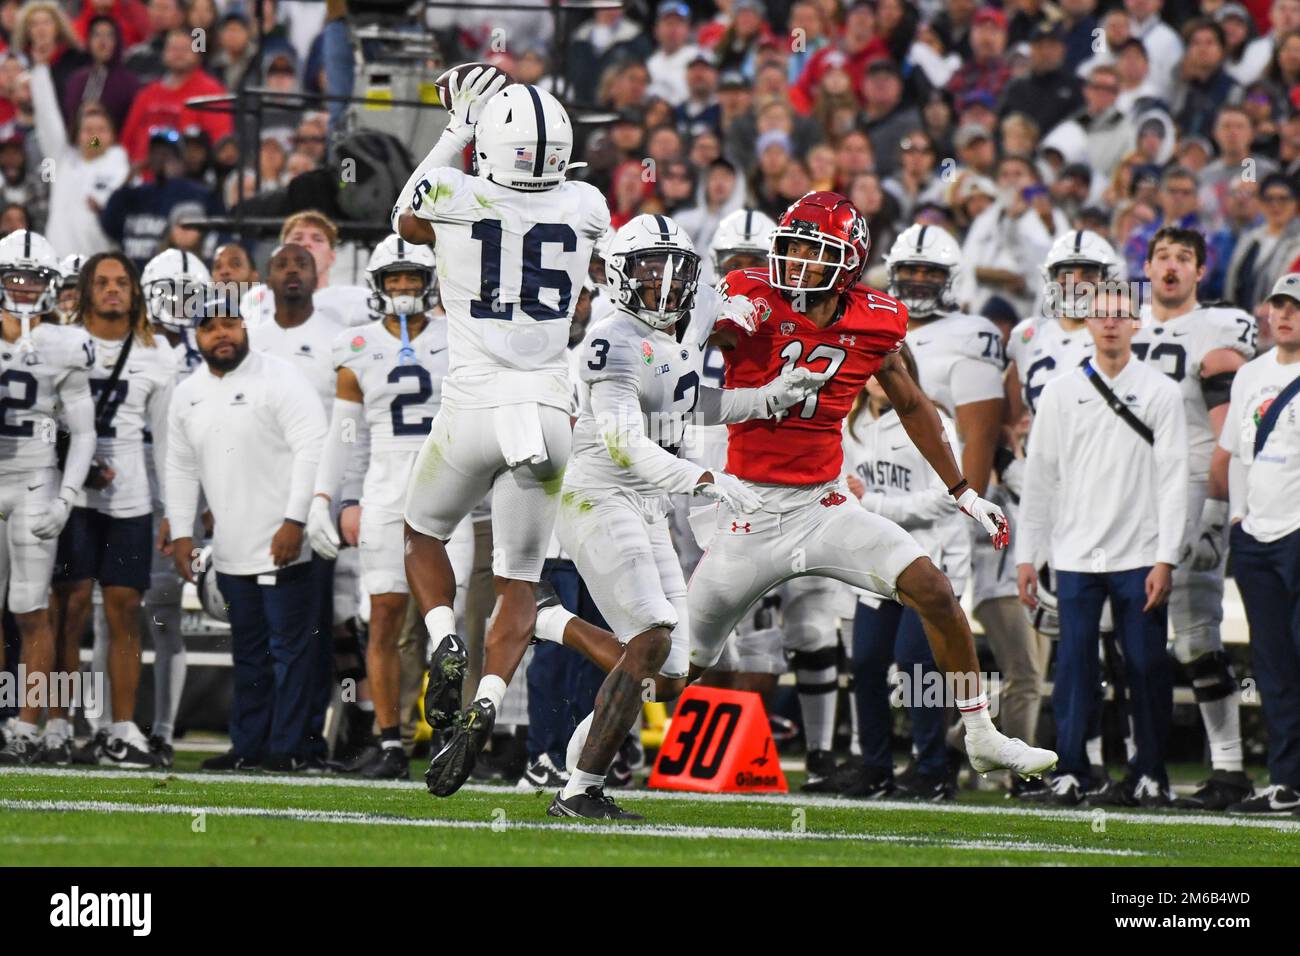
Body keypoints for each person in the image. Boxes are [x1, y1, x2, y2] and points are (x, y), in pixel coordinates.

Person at [685, 190, 1057, 785]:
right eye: (792, 248)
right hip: (749, 510)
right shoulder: (749, 296)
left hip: (824, 504)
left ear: (849, 263)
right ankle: (588, 746)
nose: (796, 262)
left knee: (935, 591)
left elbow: (912, 403)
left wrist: (963, 491)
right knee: (676, 666)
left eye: (813, 251)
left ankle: (983, 736)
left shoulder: (877, 318)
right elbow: (683, 376)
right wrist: (706, 328)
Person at [544, 214, 824, 819]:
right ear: (621, 275)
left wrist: (773, 395)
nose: (665, 282)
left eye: (676, 269)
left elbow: (695, 404)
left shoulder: (673, 335)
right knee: (648, 638)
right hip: (597, 493)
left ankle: (550, 621)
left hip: (646, 501)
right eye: (651, 268)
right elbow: (625, 442)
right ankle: (580, 790)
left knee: (672, 671)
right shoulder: (611, 338)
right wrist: (706, 478)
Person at [392, 69, 610, 798]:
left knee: (424, 535)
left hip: (474, 404)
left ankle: (445, 637)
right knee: (522, 584)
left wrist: (456, 125)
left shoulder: (455, 191)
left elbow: (404, 218)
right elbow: (612, 276)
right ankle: (485, 702)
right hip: (548, 410)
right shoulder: (586, 201)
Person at [306, 235, 475, 780]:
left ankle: (450, 737)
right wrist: (324, 499)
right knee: (382, 620)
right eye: (394, 279)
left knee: (447, 623)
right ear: (378, 286)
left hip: (450, 487)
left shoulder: (461, 337)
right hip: (385, 490)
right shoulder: (356, 346)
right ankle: (390, 744)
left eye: (412, 278)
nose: (403, 288)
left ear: (431, 282)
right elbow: (343, 436)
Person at [1017, 280, 1188, 807]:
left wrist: (1166, 556)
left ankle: (1150, 774)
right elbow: (1039, 477)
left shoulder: (1162, 391)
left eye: (1120, 314)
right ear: (1088, 322)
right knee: (1074, 667)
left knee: (1145, 666)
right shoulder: (1061, 393)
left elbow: (1175, 478)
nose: (1110, 323)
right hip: (1073, 553)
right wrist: (1028, 554)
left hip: (1139, 554)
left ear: (1136, 322)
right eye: (1101, 314)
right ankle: (1071, 771)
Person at [165, 293, 327, 772]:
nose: (222, 334)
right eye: (210, 326)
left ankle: (292, 749)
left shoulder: (281, 377)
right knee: (250, 653)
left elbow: (313, 447)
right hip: (232, 549)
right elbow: (179, 466)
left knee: (292, 653)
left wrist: (295, 520)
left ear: (245, 326)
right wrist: (180, 533)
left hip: (285, 544)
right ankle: (248, 747)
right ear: (195, 335)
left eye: (230, 323)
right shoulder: (187, 392)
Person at [1135, 226, 1258, 809]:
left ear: (1200, 272)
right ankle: (1140, 766)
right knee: (1127, 632)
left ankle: (1230, 768)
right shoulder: (1122, 321)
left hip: (1187, 485)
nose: (1172, 267)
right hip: (1125, 490)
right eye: (1163, 256)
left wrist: (1215, 505)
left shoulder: (1221, 327)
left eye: (1184, 258)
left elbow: (1229, 427)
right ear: (1148, 264)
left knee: (1196, 634)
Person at [48, 249, 175, 768]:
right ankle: (57, 724)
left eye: (121, 281)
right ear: (84, 288)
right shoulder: (58, 342)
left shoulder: (157, 351)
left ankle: (121, 729)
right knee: (67, 610)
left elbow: (165, 439)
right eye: (101, 282)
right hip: (71, 495)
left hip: (129, 498)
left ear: (135, 289)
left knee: (125, 612)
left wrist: (174, 510)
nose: (112, 290)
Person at [840, 345, 970, 800]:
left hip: (928, 560)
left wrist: (872, 503)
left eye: (887, 365)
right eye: (870, 365)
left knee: (916, 665)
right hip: (873, 564)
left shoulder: (934, 420)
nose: (877, 374)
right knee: (867, 663)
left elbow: (946, 495)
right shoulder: (849, 424)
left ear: (906, 371)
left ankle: (932, 768)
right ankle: (875, 766)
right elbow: (835, 485)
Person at [0, 229, 96, 764]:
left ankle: (27, 725)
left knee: (31, 609)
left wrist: (66, 497)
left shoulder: (66, 343)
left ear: (51, 283)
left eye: (33, 277)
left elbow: (83, 431)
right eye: (14, 275)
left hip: (37, 478)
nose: (22, 285)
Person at [1217, 271, 1300, 813]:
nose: (1285, 314)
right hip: (1257, 536)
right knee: (1272, 665)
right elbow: (1234, 456)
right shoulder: (1249, 375)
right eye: (1278, 304)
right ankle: (1288, 781)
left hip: (1297, 531)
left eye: (1295, 306)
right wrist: (1239, 517)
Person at [137, 247, 210, 765]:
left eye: (191, 295)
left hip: (188, 484)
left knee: (165, 615)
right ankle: (106, 728)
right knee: (111, 607)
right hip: (128, 482)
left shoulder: (213, 351)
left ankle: (162, 731)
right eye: (170, 294)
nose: (181, 305)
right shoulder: (127, 344)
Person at [30, 50, 128, 259]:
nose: (94, 136)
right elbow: (46, 116)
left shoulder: (121, 164)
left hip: (100, 260)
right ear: (77, 134)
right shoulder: (62, 159)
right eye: (88, 130)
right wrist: (40, 69)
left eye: (101, 130)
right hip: (58, 261)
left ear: (113, 135)